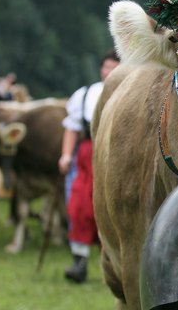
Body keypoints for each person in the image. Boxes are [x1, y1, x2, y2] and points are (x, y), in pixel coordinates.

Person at [60, 49, 120, 283]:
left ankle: (114, 263)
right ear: (101, 68)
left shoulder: (131, 93)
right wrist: (66, 155)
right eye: (106, 66)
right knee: (80, 204)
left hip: (117, 152)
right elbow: (72, 127)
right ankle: (79, 261)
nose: (109, 71)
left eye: (114, 67)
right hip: (88, 153)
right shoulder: (86, 94)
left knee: (112, 206)